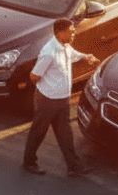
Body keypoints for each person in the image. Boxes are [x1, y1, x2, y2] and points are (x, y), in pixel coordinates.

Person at [22, 19, 98, 177]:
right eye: (71, 31)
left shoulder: (65, 45)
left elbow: (74, 55)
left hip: (62, 100)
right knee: (38, 131)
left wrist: (86, 57)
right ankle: (29, 162)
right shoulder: (49, 53)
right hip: (48, 100)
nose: (74, 33)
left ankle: (74, 167)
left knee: (65, 134)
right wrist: (47, 87)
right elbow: (34, 76)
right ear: (61, 33)